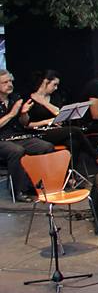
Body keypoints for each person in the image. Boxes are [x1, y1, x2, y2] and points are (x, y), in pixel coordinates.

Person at [0, 70, 55, 202]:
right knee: (17, 151)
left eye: (10, 81)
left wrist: (24, 113)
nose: (10, 84)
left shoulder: (15, 98)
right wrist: (12, 114)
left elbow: (24, 123)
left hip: (17, 136)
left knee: (46, 146)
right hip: (2, 140)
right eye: (5, 82)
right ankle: (18, 190)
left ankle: (38, 185)